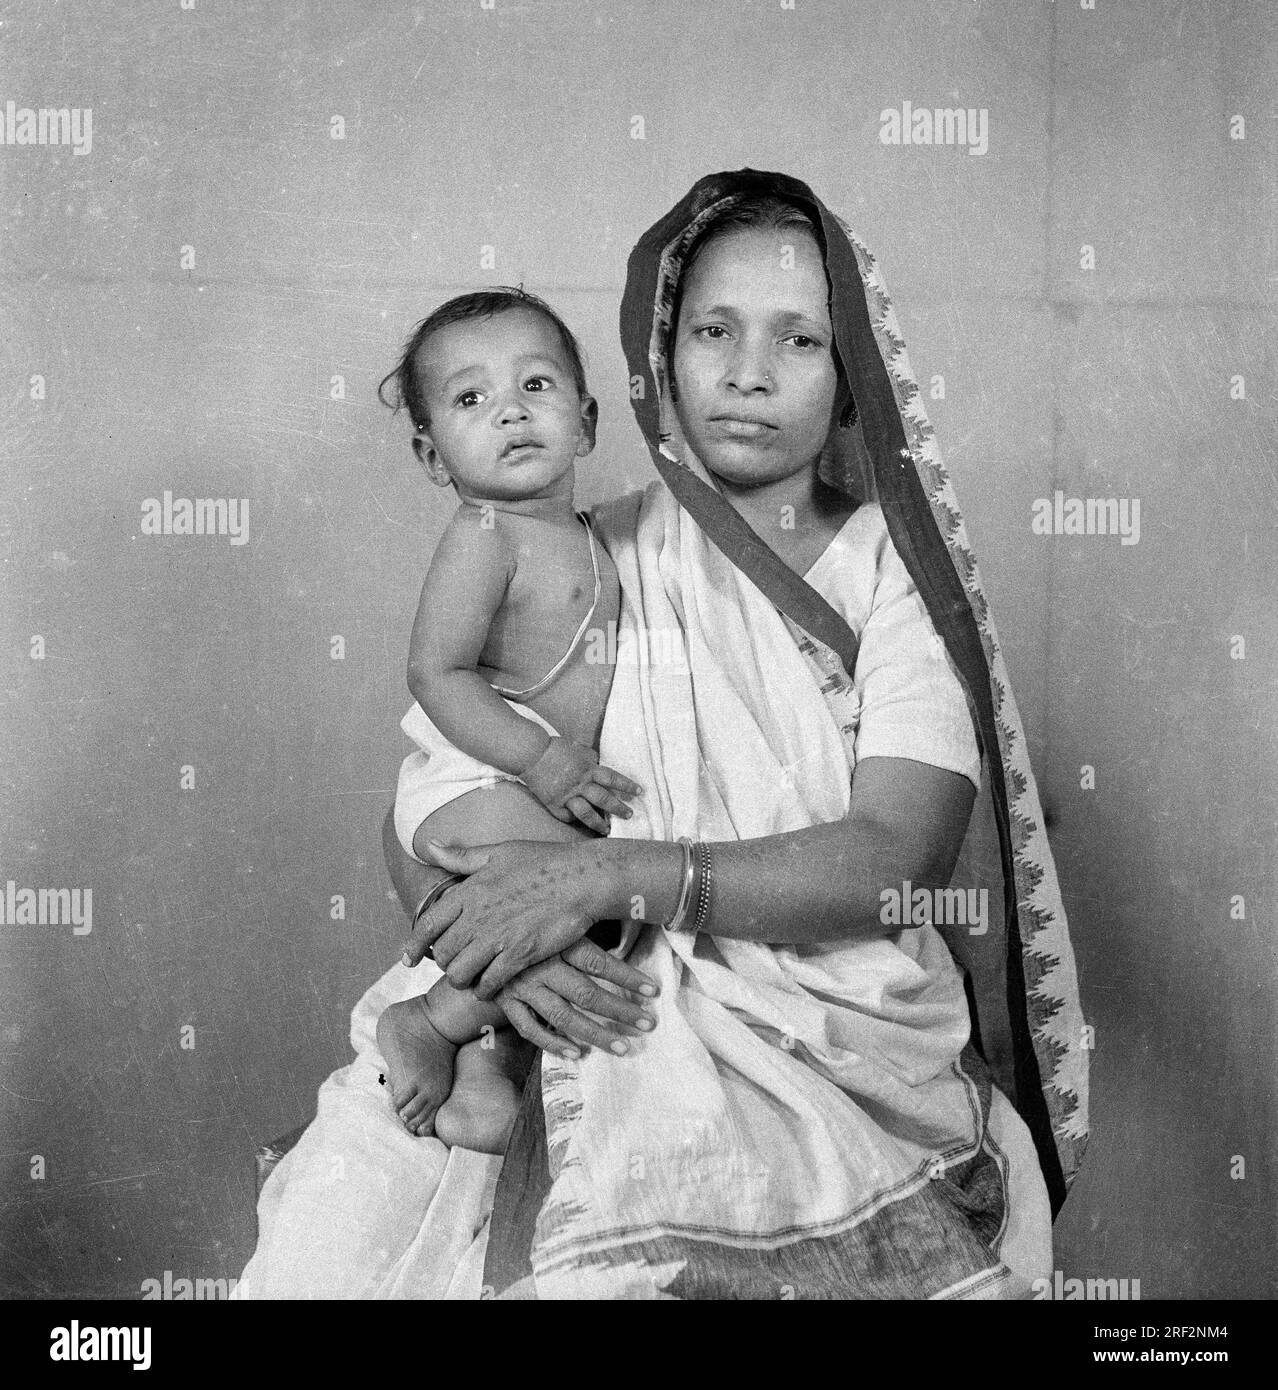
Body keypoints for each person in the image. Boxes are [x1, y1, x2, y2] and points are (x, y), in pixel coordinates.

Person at [239, 170, 1087, 1300]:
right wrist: (517, 945)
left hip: (825, 1029)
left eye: (798, 341)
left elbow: (899, 858)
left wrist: (609, 876)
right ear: (659, 355)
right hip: (571, 995)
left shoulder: (894, 577)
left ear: (852, 384)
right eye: (714, 332)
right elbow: (426, 805)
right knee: (349, 1230)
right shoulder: (592, 547)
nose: (746, 374)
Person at [371, 287, 651, 1155]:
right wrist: (542, 763)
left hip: (524, 779)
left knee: (578, 920)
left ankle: (490, 1065)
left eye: (537, 386)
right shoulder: (486, 533)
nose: (511, 413)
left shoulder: (598, 534)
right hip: (478, 773)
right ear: (431, 454)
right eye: (470, 399)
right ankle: (427, 1018)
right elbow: (437, 673)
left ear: (588, 420)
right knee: (563, 892)